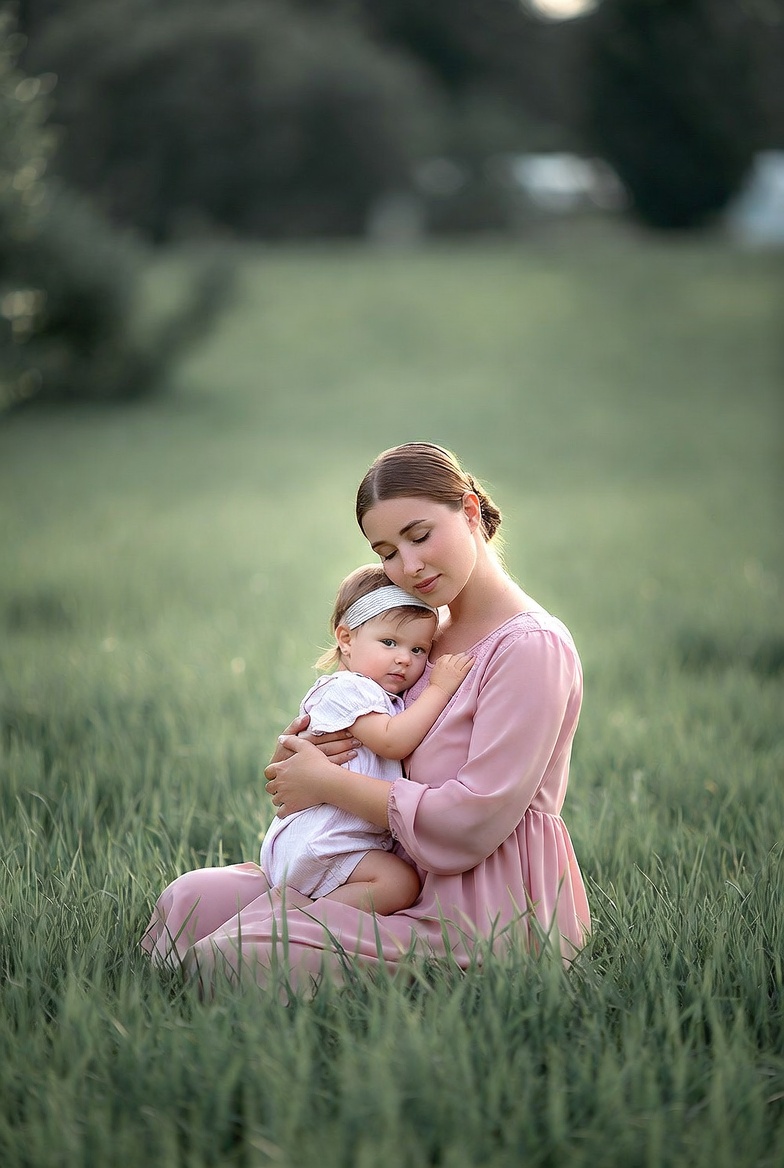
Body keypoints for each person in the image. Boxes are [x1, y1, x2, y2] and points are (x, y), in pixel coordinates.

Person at [141, 442, 591, 991]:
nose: (409, 566)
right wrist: (302, 756)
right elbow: (337, 745)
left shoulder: (530, 648)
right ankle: (229, 958)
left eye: (420, 536)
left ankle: (244, 960)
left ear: (470, 511)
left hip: (477, 910)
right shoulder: (419, 637)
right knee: (188, 900)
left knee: (230, 957)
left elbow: (471, 822)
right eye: (386, 552)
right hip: (375, 870)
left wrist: (328, 782)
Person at [258, 563, 473, 914]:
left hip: (336, 841)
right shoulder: (347, 688)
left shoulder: (374, 692)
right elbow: (392, 742)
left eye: (419, 650)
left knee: (395, 882)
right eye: (389, 642)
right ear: (346, 639)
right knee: (398, 883)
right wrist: (440, 688)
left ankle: (298, 917)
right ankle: (294, 925)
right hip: (322, 840)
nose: (404, 659)